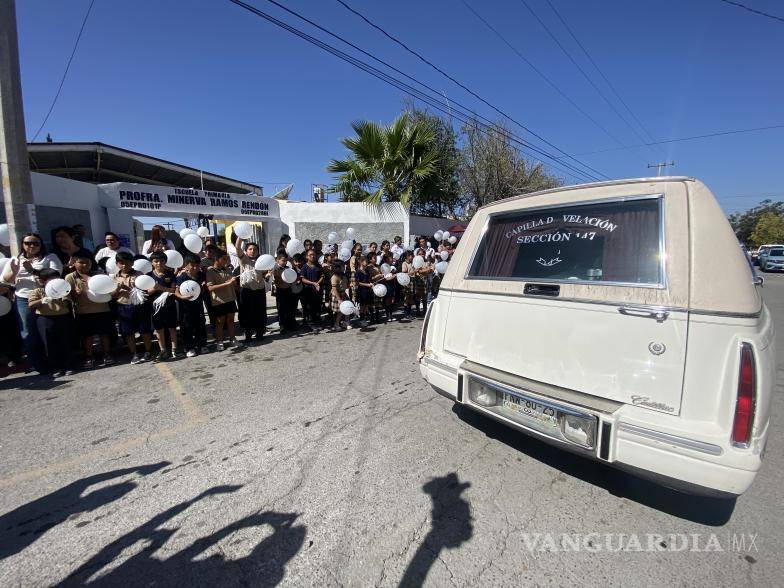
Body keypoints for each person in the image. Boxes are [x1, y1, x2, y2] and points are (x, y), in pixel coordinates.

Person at [1, 233, 63, 374]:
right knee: (29, 332)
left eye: (36, 243)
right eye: (28, 243)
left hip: (46, 296)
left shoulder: (50, 257)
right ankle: (38, 364)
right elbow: (6, 281)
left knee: (49, 331)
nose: (32, 246)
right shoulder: (15, 260)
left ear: (41, 245)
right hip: (23, 298)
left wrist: (33, 271)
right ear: (22, 245)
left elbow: (55, 274)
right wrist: (15, 272)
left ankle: (56, 363)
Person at [65, 252, 113, 368]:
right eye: (81, 262)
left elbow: (108, 290)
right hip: (83, 312)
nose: (85, 265)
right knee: (87, 336)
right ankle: (89, 357)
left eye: (88, 262)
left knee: (104, 334)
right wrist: (76, 294)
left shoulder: (98, 274)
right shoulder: (70, 277)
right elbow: (67, 296)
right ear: (74, 263)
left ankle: (107, 354)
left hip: (102, 309)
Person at [27, 269, 74, 377]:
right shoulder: (38, 291)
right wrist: (42, 300)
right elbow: (31, 305)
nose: (56, 281)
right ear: (43, 281)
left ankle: (68, 365)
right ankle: (55, 367)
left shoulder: (63, 289)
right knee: (49, 344)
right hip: (44, 319)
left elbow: (67, 302)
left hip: (62, 317)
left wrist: (58, 297)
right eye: (52, 279)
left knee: (65, 341)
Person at [113, 251, 154, 364]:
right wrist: (117, 289)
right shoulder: (114, 277)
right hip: (124, 306)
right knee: (128, 332)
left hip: (139, 305)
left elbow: (143, 291)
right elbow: (112, 295)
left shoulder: (139, 274)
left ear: (132, 263)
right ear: (117, 264)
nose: (125, 265)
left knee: (144, 330)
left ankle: (148, 352)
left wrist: (127, 288)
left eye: (127, 263)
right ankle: (134, 354)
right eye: (121, 263)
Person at [234, 237, 267, 344]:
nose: (253, 251)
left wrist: (268, 275)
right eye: (250, 249)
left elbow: (264, 274)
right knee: (247, 313)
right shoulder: (244, 259)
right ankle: (248, 334)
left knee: (260, 312)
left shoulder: (261, 261)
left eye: (255, 249)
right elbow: (237, 247)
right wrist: (240, 236)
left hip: (259, 291)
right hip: (247, 291)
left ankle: (259, 333)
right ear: (246, 251)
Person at [147, 251, 179, 361]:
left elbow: (173, 290)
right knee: (159, 330)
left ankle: (175, 349)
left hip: (169, 305)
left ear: (165, 262)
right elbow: (147, 292)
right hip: (155, 307)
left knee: (172, 327)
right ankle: (163, 350)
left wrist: (160, 287)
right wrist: (154, 288)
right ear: (152, 262)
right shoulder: (148, 276)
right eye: (156, 261)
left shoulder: (170, 274)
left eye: (162, 261)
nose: (159, 263)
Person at [175, 255, 209, 358]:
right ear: (186, 265)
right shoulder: (182, 277)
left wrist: (204, 286)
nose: (195, 267)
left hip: (198, 305)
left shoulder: (201, 275)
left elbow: (204, 287)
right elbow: (176, 291)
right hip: (185, 307)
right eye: (192, 265)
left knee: (200, 325)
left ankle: (202, 345)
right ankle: (189, 347)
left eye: (197, 265)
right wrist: (182, 297)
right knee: (187, 327)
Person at [205, 249, 238, 350]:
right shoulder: (210, 271)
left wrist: (234, 282)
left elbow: (233, 283)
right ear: (217, 259)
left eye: (227, 258)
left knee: (231, 320)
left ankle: (233, 340)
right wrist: (227, 283)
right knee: (220, 322)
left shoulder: (227, 269)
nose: (226, 261)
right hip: (219, 301)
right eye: (224, 259)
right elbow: (210, 288)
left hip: (230, 298)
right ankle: (220, 341)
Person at [272, 253, 297, 334]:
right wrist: (281, 279)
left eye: (286, 261)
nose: (285, 262)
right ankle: (282, 326)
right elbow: (276, 281)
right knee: (281, 309)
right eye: (283, 260)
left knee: (289, 308)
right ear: (277, 260)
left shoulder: (288, 268)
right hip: (280, 291)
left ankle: (290, 324)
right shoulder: (275, 269)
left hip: (288, 290)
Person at [300, 248, 323, 330]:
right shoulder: (304, 267)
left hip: (317, 290)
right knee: (309, 307)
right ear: (307, 257)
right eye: (310, 255)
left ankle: (317, 322)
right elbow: (302, 279)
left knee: (317, 306)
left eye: (314, 254)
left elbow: (322, 276)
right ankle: (310, 323)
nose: (313, 256)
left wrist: (317, 283)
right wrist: (313, 283)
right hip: (308, 290)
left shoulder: (318, 266)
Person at [330, 259, 351, 331]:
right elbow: (334, 289)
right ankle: (336, 324)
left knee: (348, 309)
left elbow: (346, 285)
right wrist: (339, 299)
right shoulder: (334, 277)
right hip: (337, 295)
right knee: (340, 311)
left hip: (343, 294)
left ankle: (346, 322)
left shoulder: (344, 275)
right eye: (343, 266)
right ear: (338, 267)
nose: (344, 267)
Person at [355, 254, 374, 324]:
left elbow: (369, 280)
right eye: (366, 261)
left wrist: (371, 284)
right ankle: (361, 320)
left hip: (367, 291)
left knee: (366, 305)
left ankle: (364, 319)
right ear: (361, 262)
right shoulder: (358, 272)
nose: (367, 263)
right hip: (361, 291)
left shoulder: (367, 271)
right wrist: (367, 285)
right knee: (362, 306)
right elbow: (357, 283)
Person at [400, 250, 416, 319]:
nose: (411, 257)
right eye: (409, 256)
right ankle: (406, 313)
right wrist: (413, 272)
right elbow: (404, 273)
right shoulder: (404, 263)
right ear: (406, 257)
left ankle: (409, 313)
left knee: (411, 298)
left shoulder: (413, 263)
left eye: (411, 255)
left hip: (412, 281)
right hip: (407, 282)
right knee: (407, 298)